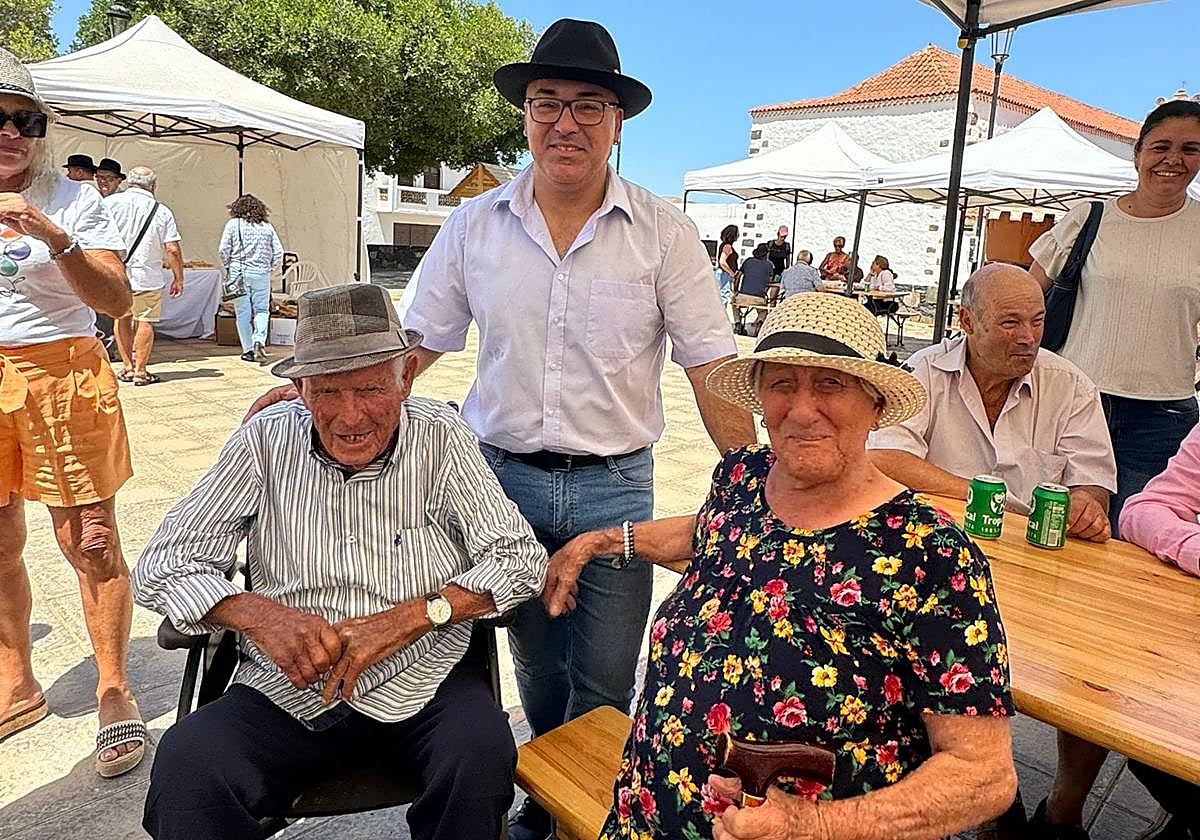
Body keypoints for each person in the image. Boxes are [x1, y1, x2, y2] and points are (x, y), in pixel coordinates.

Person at [394, 19, 757, 839]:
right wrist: (323, 396)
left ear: (617, 122)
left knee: (604, 673)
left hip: (615, 487)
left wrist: (754, 479)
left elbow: (709, 365)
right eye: (547, 102)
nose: (566, 122)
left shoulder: (664, 232)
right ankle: (547, 798)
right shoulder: (474, 225)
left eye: (588, 105)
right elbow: (418, 344)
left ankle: (589, 809)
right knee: (536, 663)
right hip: (501, 482)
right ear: (524, 117)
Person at [542, 293, 1017, 840]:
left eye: (831, 384)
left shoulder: (928, 552)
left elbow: (984, 776)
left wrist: (810, 826)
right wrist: (602, 540)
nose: (802, 409)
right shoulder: (744, 478)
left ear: (876, 404)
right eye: (782, 384)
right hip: (644, 815)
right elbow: (712, 533)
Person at [133, 283, 548, 840]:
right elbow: (164, 560)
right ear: (300, 388)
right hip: (287, 688)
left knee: (480, 755)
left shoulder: (441, 437)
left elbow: (519, 558)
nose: (351, 416)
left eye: (371, 388)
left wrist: (410, 618)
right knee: (187, 770)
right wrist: (258, 615)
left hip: (422, 675)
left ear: (405, 377)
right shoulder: (264, 442)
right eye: (328, 391)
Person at [1026, 98, 1200, 840]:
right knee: (1065, 594)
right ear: (1137, 151)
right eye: (1162, 145)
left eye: (1191, 149)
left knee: (1135, 613)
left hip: (1164, 423)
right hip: (1075, 408)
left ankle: (1143, 786)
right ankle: (1053, 797)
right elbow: (1022, 294)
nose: (1174, 160)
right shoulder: (1087, 217)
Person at [0, 49, 145, 777]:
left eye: (25, 120)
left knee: (90, 539)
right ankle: (16, 680)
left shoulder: (73, 199)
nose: (10, 132)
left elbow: (117, 300)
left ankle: (114, 688)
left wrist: (54, 237)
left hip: (63, 371)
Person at [868, 264, 1115, 540]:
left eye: (1037, 321)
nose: (1028, 338)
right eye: (1010, 323)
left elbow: (1094, 485)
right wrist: (991, 500)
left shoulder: (1072, 387)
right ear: (967, 321)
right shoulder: (925, 371)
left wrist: (1085, 507)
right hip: (937, 536)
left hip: (1030, 548)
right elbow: (885, 458)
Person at [106, 165, 183, 386]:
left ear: (129, 182)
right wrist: (179, 277)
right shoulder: (162, 211)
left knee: (121, 317)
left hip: (116, 272)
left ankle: (127, 367)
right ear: (153, 185)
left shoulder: (110, 203)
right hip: (147, 275)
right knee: (145, 320)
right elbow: (172, 249)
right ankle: (140, 371)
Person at [219, 193, 283, 363]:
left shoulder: (233, 224)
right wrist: (270, 268)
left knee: (243, 313)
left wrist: (229, 266)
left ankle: (247, 350)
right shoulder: (267, 227)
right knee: (262, 310)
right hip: (261, 273)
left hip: (238, 272)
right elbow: (279, 252)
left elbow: (223, 249)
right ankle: (259, 341)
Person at [92, 157, 126, 361]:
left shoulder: (122, 202)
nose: (103, 182)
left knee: (111, 307)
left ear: (119, 180)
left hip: (117, 260)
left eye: (108, 178)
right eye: (99, 177)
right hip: (96, 259)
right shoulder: (94, 198)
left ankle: (111, 347)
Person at [731, 243, 774, 334]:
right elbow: (769, 283)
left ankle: (738, 323)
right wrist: (763, 292)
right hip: (758, 298)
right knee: (763, 311)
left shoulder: (748, 261)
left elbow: (737, 276)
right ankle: (759, 323)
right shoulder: (769, 265)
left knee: (734, 303)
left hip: (743, 296)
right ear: (767, 253)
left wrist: (736, 290)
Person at [715, 223, 739, 306]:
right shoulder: (727, 246)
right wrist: (731, 272)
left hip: (723, 273)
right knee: (723, 295)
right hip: (724, 273)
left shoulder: (724, 245)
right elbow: (722, 261)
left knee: (720, 295)